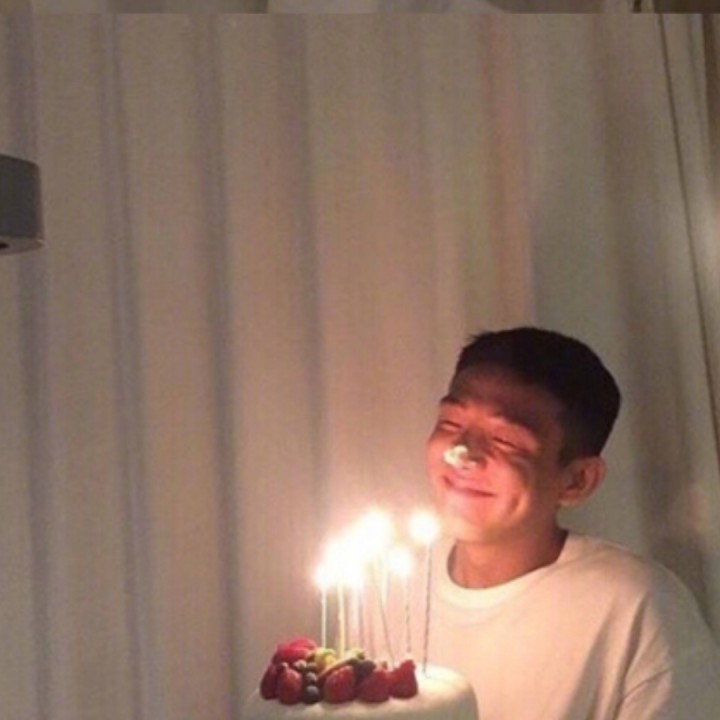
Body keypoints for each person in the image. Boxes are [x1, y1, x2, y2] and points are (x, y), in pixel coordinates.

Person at [425, 327, 720, 719]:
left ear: (577, 480)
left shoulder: (637, 608)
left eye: (505, 440)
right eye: (449, 423)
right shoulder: (385, 587)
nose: (461, 453)